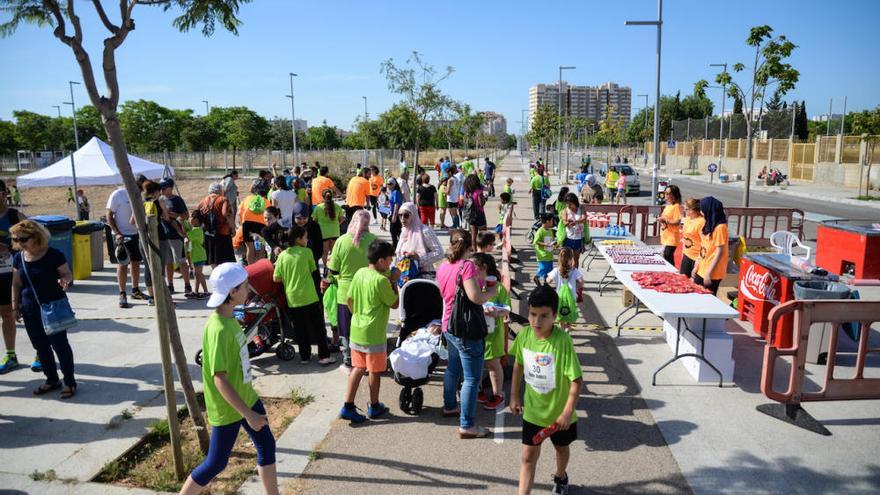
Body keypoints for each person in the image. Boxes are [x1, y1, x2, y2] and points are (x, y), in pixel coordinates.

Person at [179, 263, 278, 495]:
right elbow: (219, 379)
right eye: (245, 287)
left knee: (266, 445)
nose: (249, 290)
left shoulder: (230, 317)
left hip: (247, 397)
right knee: (216, 463)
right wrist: (249, 414)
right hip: (230, 408)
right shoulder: (218, 329)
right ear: (232, 293)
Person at [509, 285, 583, 495]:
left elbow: (577, 380)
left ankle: (561, 476)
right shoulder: (525, 335)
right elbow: (518, 366)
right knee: (528, 457)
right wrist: (514, 396)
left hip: (559, 417)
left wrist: (567, 413)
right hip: (533, 412)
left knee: (561, 449)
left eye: (543, 316)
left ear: (555, 315)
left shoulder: (563, 342)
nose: (536, 322)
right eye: (532, 314)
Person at [437, 229, 498, 439]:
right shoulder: (467, 266)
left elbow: (447, 294)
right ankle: (467, 424)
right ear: (469, 245)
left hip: (448, 324)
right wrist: (492, 291)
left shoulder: (443, 265)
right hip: (466, 328)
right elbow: (475, 297)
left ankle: (449, 405)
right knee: (471, 378)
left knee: (453, 368)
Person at [11, 220, 77, 398]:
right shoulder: (19, 258)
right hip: (29, 309)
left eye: (23, 239)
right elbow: (16, 283)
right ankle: (52, 380)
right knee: (40, 346)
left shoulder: (53, 254)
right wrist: (14, 306)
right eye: (16, 240)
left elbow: (67, 273)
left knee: (60, 345)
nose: (19, 243)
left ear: (36, 237)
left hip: (52, 307)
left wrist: (65, 280)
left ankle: (69, 382)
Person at [338, 240, 399, 423]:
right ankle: (374, 405)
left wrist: (357, 314)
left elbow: (349, 299)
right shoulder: (381, 281)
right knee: (375, 370)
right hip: (374, 333)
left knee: (358, 368)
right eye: (389, 260)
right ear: (381, 260)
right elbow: (394, 302)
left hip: (357, 329)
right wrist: (394, 282)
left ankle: (347, 406)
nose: (390, 263)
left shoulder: (360, 273)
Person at [274, 225, 335, 365]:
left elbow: (276, 278)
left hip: (292, 299)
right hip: (310, 297)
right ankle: (324, 356)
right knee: (319, 328)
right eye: (305, 237)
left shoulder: (282, 256)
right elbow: (314, 273)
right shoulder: (307, 253)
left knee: (300, 330)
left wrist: (288, 277)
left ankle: (305, 357)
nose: (307, 239)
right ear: (298, 239)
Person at [326, 210, 375, 370]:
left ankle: (348, 358)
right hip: (368, 290)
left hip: (345, 292)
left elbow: (333, 270)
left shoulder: (341, 241)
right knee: (365, 326)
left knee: (346, 328)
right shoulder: (373, 241)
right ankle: (366, 358)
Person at [470, 254, 509, 411]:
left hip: (493, 334)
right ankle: (479, 390)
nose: (471, 271)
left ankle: (497, 394)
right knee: (477, 364)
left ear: (484, 268)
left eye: (474, 268)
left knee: (493, 365)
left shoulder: (498, 287)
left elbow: (507, 309)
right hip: (477, 332)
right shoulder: (472, 285)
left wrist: (496, 313)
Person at [0, 181, 28, 374]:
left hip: (13, 274)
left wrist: (9, 247)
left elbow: (37, 239)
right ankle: (11, 355)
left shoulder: (15, 216)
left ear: (3, 194)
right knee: (5, 315)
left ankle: (40, 354)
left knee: (26, 313)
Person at [107, 176, 148, 308]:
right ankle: (122, 293)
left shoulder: (140, 196)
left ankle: (135, 290)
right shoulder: (118, 194)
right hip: (120, 235)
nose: (142, 190)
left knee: (136, 263)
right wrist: (117, 233)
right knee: (122, 264)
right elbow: (109, 215)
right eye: (141, 186)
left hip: (135, 234)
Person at [159, 178, 193, 297]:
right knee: (168, 262)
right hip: (163, 236)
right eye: (160, 188)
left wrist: (172, 215)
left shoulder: (177, 200)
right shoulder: (159, 199)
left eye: (164, 188)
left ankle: (187, 285)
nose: (161, 190)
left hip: (176, 235)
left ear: (170, 188)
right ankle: (170, 285)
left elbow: (186, 215)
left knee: (181, 261)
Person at [394, 202, 444, 278]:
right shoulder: (404, 231)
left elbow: (439, 252)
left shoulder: (424, 231)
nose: (402, 219)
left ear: (413, 215)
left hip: (422, 277)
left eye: (406, 215)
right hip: (405, 278)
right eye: (400, 215)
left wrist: (419, 259)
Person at [693, 196, 729, 296]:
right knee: (696, 296)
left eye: (702, 209)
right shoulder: (709, 224)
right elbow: (704, 246)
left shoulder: (720, 227)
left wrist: (708, 273)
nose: (701, 212)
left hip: (712, 272)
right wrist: (697, 264)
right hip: (702, 268)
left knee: (708, 301)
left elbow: (719, 252)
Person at [197, 183, 236, 268]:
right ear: (220, 190)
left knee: (213, 258)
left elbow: (196, 215)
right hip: (223, 232)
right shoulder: (223, 199)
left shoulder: (203, 201)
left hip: (208, 233)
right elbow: (226, 213)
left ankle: (215, 274)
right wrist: (232, 227)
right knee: (225, 258)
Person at [546, 247, 583, 332]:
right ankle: (568, 327)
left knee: (560, 313)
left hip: (559, 297)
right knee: (569, 312)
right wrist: (577, 286)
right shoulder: (574, 271)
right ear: (571, 259)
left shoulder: (556, 270)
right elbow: (581, 282)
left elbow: (547, 281)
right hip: (572, 296)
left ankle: (562, 328)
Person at [238, 181, 269, 265]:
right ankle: (260, 269)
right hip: (261, 225)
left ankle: (251, 269)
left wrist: (242, 222)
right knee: (260, 248)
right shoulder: (266, 201)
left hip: (247, 224)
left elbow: (239, 212)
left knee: (250, 248)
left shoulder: (247, 198)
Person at [311, 189, 344, 268]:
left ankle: (326, 268)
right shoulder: (337, 207)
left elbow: (314, 220)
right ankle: (333, 268)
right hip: (335, 232)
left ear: (322, 197)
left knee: (325, 253)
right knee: (334, 253)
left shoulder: (318, 208)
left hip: (323, 233)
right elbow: (342, 219)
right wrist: (336, 224)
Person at [292, 202, 323, 270]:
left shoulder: (314, 226)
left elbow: (320, 246)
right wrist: (275, 247)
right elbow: (265, 231)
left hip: (311, 264)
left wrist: (312, 259)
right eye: (299, 218)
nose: (302, 221)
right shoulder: (290, 226)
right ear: (293, 216)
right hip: (294, 263)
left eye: (304, 218)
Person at [186, 211, 209, 299]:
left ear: (196, 220)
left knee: (198, 274)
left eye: (191, 217)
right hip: (197, 256)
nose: (190, 219)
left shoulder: (197, 230)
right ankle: (196, 291)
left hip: (199, 256)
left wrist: (179, 226)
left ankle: (204, 291)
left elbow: (186, 235)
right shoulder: (195, 229)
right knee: (198, 274)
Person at [658, 185, 684, 265]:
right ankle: (670, 274)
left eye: (668, 193)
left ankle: (672, 274)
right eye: (665, 193)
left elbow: (677, 221)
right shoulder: (668, 206)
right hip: (666, 235)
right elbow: (665, 218)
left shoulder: (676, 206)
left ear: (674, 195)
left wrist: (666, 220)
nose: (666, 195)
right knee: (666, 256)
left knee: (668, 255)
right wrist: (661, 220)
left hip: (672, 236)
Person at [559, 193, 587, 267]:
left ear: (575, 202)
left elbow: (584, 219)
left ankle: (574, 276)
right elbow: (564, 222)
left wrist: (576, 222)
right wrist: (568, 222)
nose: (569, 206)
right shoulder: (565, 210)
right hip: (568, 238)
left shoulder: (581, 209)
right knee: (565, 258)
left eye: (570, 204)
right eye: (567, 204)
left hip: (578, 238)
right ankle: (565, 274)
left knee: (576, 259)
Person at [680, 198, 704, 277]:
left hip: (697, 257)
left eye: (686, 209)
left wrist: (698, 262)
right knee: (683, 281)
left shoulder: (701, 222)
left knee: (695, 285)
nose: (684, 211)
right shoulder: (687, 219)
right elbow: (685, 236)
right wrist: (683, 251)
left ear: (693, 209)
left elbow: (705, 243)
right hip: (687, 255)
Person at [463, 174, 487, 247]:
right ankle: (482, 249)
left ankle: (474, 249)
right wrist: (484, 198)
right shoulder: (478, 192)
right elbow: (481, 204)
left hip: (471, 214)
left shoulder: (467, 192)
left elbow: (465, 202)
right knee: (483, 233)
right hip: (479, 214)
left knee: (473, 234)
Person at [533, 214, 556, 286]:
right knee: (543, 268)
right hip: (542, 255)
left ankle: (546, 284)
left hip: (549, 254)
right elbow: (535, 242)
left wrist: (554, 243)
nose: (553, 222)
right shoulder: (540, 231)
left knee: (549, 270)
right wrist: (545, 244)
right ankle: (536, 277)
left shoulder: (550, 230)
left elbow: (551, 240)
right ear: (547, 221)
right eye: (552, 221)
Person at [387, 178, 404, 249]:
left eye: (390, 184)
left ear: (394, 185)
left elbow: (397, 205)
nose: (388, 186)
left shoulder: (396, 192)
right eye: (388, 184)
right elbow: (392, 203)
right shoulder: (392, 192)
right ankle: (397, 246)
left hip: (396, 214)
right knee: (394, 231)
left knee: (394, 231)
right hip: (392, 213)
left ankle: (396, 246)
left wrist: (394, 215)